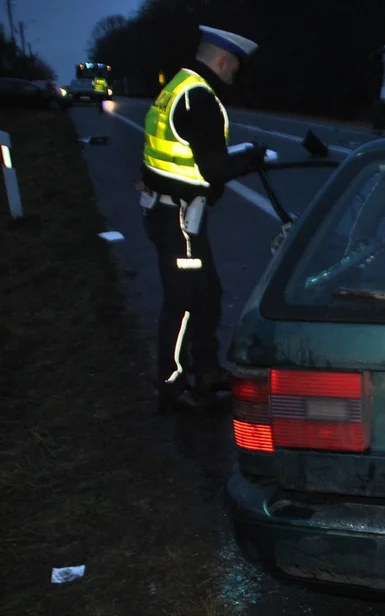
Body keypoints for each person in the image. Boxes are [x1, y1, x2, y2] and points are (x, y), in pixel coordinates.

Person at [140, 26, 268, 412]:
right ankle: (172, 383)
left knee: (207, 294)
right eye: (235, 69)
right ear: (224, 60)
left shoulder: (178, 86)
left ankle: (207, 369)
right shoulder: (200, 98)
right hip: (178, 217)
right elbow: (213, 169)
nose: (234, 77)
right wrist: (251, 158)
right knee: (183, 301)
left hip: (173, 212)